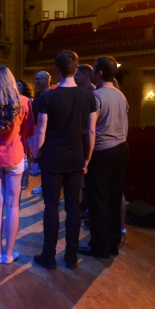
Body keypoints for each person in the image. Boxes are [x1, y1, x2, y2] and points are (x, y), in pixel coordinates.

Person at [31, 51, 97, 270]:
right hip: (75, 157)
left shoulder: (47, 97)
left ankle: (48, 257)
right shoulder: (88, 97)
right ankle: (70, 256)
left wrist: (34, 157)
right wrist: (86, 159)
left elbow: (41, 131)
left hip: (52, 157)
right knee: (73, 207)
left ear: (56, 72)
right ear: (75, 70)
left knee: (51, 206)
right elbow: (91, 131)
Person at [0, 66, 35, 264]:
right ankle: (9, 255)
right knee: (13, 205)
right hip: (15, 157)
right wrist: (34, 157)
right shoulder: (24, 102)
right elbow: (29, 134)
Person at [78, 56, 129, 258]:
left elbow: (90, 130)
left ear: (98, 73)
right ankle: (113, 243)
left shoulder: (96, 97)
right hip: (121, 148)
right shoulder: (121, 95)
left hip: (101, 150)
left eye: (93, 70)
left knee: (98, 200)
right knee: (114, 198)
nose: (91, 73)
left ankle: (99, 246)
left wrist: (87, 158)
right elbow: (124, 124)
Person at [74, 64, 97, 217]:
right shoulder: (80, 92)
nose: (74, 78)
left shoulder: (93, 93)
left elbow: (93, 123)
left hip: (90, 139)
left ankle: (90, 204)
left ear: (85, 76)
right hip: (80, 139)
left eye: (77, 75)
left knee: (90, 175)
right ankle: (84, 201)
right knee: (83, 174)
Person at [29, 71, 52, 195]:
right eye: (35, 79)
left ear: (47, 79)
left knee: (47, 163)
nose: (36, 81)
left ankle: (47, 186)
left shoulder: (52, 95)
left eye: (39, 79)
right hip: (37, 131)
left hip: (48, 132)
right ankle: (43, 185)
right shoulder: (38, 96)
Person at [16, 79, 34, 190]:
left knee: (28, 156)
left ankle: (25, 180)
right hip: (17, 133)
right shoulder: (11, 99)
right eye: (16, 85)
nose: (17, 87)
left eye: (19, 85)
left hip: (26, 131)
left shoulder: (28, 100)